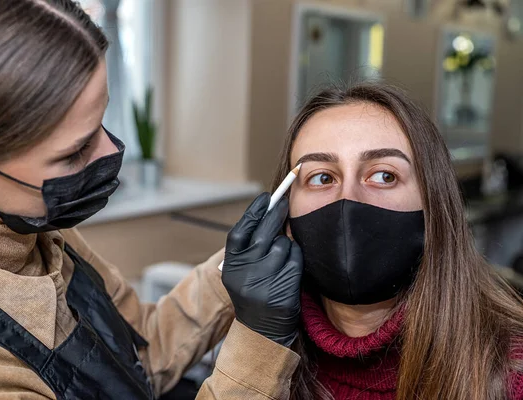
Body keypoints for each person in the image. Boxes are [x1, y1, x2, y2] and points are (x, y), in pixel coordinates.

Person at [0, 1, 303, 399]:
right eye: (76, 150)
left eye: (102, 121)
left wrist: (232, 271)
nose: (110, 153)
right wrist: (259, 343)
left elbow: (144, 352)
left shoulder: (39, 228)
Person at [207, 83, 523, 400]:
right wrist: (258, 344)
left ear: (434, 208)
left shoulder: (510, 374)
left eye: (384, 175)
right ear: (284, 218)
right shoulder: (252, 351)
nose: (349, 201)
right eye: (322, 177)